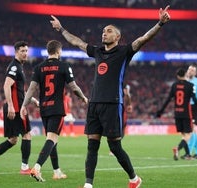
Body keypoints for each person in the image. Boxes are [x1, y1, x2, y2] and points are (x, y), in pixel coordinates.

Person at [50, 5, 170, 188]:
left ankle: (134, 179)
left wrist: (160, 24)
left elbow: (143, 39)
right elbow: (77, 42)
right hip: (95, 103)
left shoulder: (124, 51)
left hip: (113, 103)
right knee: (92, 146)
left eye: (109, 31)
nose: (104, 33)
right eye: (104, 31)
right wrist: (61, 29)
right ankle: (88, 184)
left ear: (117, 37)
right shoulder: (97, 51)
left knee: (114, 146)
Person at [20, 40, 88, 182]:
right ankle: (37, 168)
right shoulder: (64, 66)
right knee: (52, 139)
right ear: (58, 51)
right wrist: (83, 97)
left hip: (44, 108)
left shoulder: (39, 68)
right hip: (57, 108)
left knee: (51, 139)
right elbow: (74, 87)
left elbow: (31, 89)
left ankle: (57, 171)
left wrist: (24, 105)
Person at [0, 41, 39, 176]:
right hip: (16, 108)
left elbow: (18, 90)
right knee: (27, 135)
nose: (25, 53)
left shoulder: (18, 67)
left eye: (26, 51)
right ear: (16, 51)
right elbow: (6, 85)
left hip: (15, 106)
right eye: (22, 51)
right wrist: (11, 105)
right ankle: (24, 168)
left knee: (13, 139)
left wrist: (33, 99)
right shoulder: (15, 67)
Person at [156, 68, 197, 161]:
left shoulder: (174, 85)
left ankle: (188, 154)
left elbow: (168, 99)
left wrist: (160, 111)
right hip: (187, 113)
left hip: (177, 113)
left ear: (177, 76)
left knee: (183, 135)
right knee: (188, 135)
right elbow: (196, 101)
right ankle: (177, 148)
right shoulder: (190, 85)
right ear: (185, 74)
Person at [109, 84, 133, 156]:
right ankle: (113, 149)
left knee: (121, 134)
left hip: (123, 116)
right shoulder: (120, 95)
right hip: (119, 116)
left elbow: (129, 106)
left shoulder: (125, 96)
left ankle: (114, 149)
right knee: (118, 133)